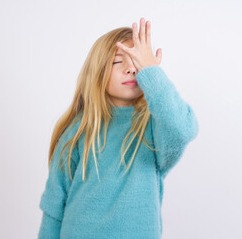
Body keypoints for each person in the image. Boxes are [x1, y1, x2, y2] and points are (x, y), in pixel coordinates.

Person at [38, 17, 199, 239]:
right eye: (117, 61)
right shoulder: (77, 131)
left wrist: (151, 71)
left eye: (137, 62)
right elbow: (54, 209)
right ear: (97, 71)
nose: (131, 69)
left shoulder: (155, 128)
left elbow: (183, 129)